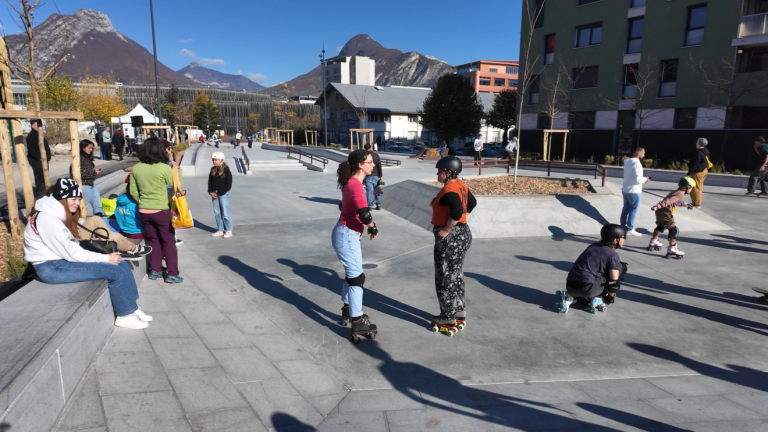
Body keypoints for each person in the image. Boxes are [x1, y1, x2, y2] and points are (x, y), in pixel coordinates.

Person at [23, 178, 153, 329]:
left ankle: (132, 308)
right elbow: (72, 253)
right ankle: (124, 315)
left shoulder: (56, 214)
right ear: (62, 199)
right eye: (73, 199)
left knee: (121, 263)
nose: (77, 203)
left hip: (59, 261)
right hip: (51, 268)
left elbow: (71, 245)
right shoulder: (48, 219)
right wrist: (105, 258)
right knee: (115, 272)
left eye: (79, 199)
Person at [332, 149, 379, 342]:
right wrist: (373, 227)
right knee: (357, 278)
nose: (373, 164)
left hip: (346, 234)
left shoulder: (351, 183)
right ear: (360, 164)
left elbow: (344, 208)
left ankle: (347, 308)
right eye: (370, 162)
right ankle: (357, 319)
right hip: (346, 236)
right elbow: (364, 213)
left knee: (352, 275)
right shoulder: (356, 185)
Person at [429, 156, 477, 336]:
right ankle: (459, 310)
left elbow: (457, 210)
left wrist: (448, 229)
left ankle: (447, 315)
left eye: (440, 171)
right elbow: (472, 203)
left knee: (444, 276)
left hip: (451, 238)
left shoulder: (450, 189)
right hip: (463, 235)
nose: (437, 173)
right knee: (455, 274)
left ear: (449, 172)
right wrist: (462, 222)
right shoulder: (460, 185)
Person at [129, 138, 184, 284]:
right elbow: (176, 187)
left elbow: (133, 191)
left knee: (154, 241)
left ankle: (155, 270)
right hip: (161, 210)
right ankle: (172, 273)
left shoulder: (136, 168)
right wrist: (177, 169)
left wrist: (143, 201)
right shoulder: (163, 167)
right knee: (168, 241)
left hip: (144, 210)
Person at [558, 224, 628, 314]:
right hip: (588, 290)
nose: (624, 239)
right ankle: (598, 297)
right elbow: (614, 282)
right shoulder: (613, 255)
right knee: (621, 267)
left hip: (570, 286)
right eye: (623, 237)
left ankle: (573, 297)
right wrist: (610, 297)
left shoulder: (592, 246)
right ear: (615, 240)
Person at [648, 177, 696, 259]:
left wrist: (686, 205)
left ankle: (654, 241)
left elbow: (676, 202)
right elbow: (668, 201)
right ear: (688, 187)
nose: (691, 190)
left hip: (659, 211)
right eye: (692, 188)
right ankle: (672, 248)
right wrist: (657, 205)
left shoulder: (676, 192)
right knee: (674, 230)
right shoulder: (680, 194)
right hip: (665, 213)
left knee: (661, 226)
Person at [620, 147, 650, 236]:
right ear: (638, 153)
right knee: (633, 210)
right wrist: (645, 179)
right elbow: (637, 178)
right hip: (634, 191)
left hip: (625, 189)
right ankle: (630, 228)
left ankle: (622, 226)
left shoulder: (627, 162)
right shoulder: (637, 164)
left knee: (625, 209)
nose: (644, 155)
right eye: (643, 153)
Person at [75, 140, 104, 216]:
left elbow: (87, 170)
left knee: (97, 203)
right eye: (89, 148)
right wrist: (93, 173)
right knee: (84, 204)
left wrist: (93, 172)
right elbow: (79, 173)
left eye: (92, 148)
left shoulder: (88, 157)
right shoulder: (78, 159)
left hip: (91, 182)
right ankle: (78, 219)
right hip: (84, 184)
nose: (91, 150)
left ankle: (98, 219)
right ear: (83, 148)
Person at [208, 152, 233, 238]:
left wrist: (218, 193)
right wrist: (210, 191)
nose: (214, 162)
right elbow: (210, 182)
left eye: (216, 160)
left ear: (221, 160)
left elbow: (228, 185)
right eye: (213, 160)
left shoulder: (226, 170)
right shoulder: (213, 169)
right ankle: (220, 230)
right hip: (214, 193)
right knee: (217, 213)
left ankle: (228, 230)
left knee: (225, 213)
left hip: (223, 194)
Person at [26, 118, 52, 194]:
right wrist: (39, 158)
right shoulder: (31, 136)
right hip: (37, 161)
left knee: (45, 177)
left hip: (44, 159)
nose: (39, 127)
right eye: (37, 125)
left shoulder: (39, 135)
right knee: (40, 177)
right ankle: (41, 193)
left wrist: (48, 157)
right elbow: (31, 149)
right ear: (32, 125)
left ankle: (46, 191)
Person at [684, 138, 710, 208]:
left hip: (698, 172)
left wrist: (689, 173)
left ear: (698, 143)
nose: (696, 143)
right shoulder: (705, 150)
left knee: (695, 187)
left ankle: (696, 203)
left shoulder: (698, 153)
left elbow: (695, 164)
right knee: (699, 186)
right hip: (704, 170)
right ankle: (696, 202)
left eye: (697, 142)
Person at [362, 144, 383, 210]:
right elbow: (379, 166)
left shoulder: (364, 156)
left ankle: (369, 206)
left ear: (365, 148)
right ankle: (378, 205)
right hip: (376, 175)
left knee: (368, 191)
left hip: (368, 175)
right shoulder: (376, 155)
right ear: (371, 148)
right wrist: (380, 175)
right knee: (377, 190)